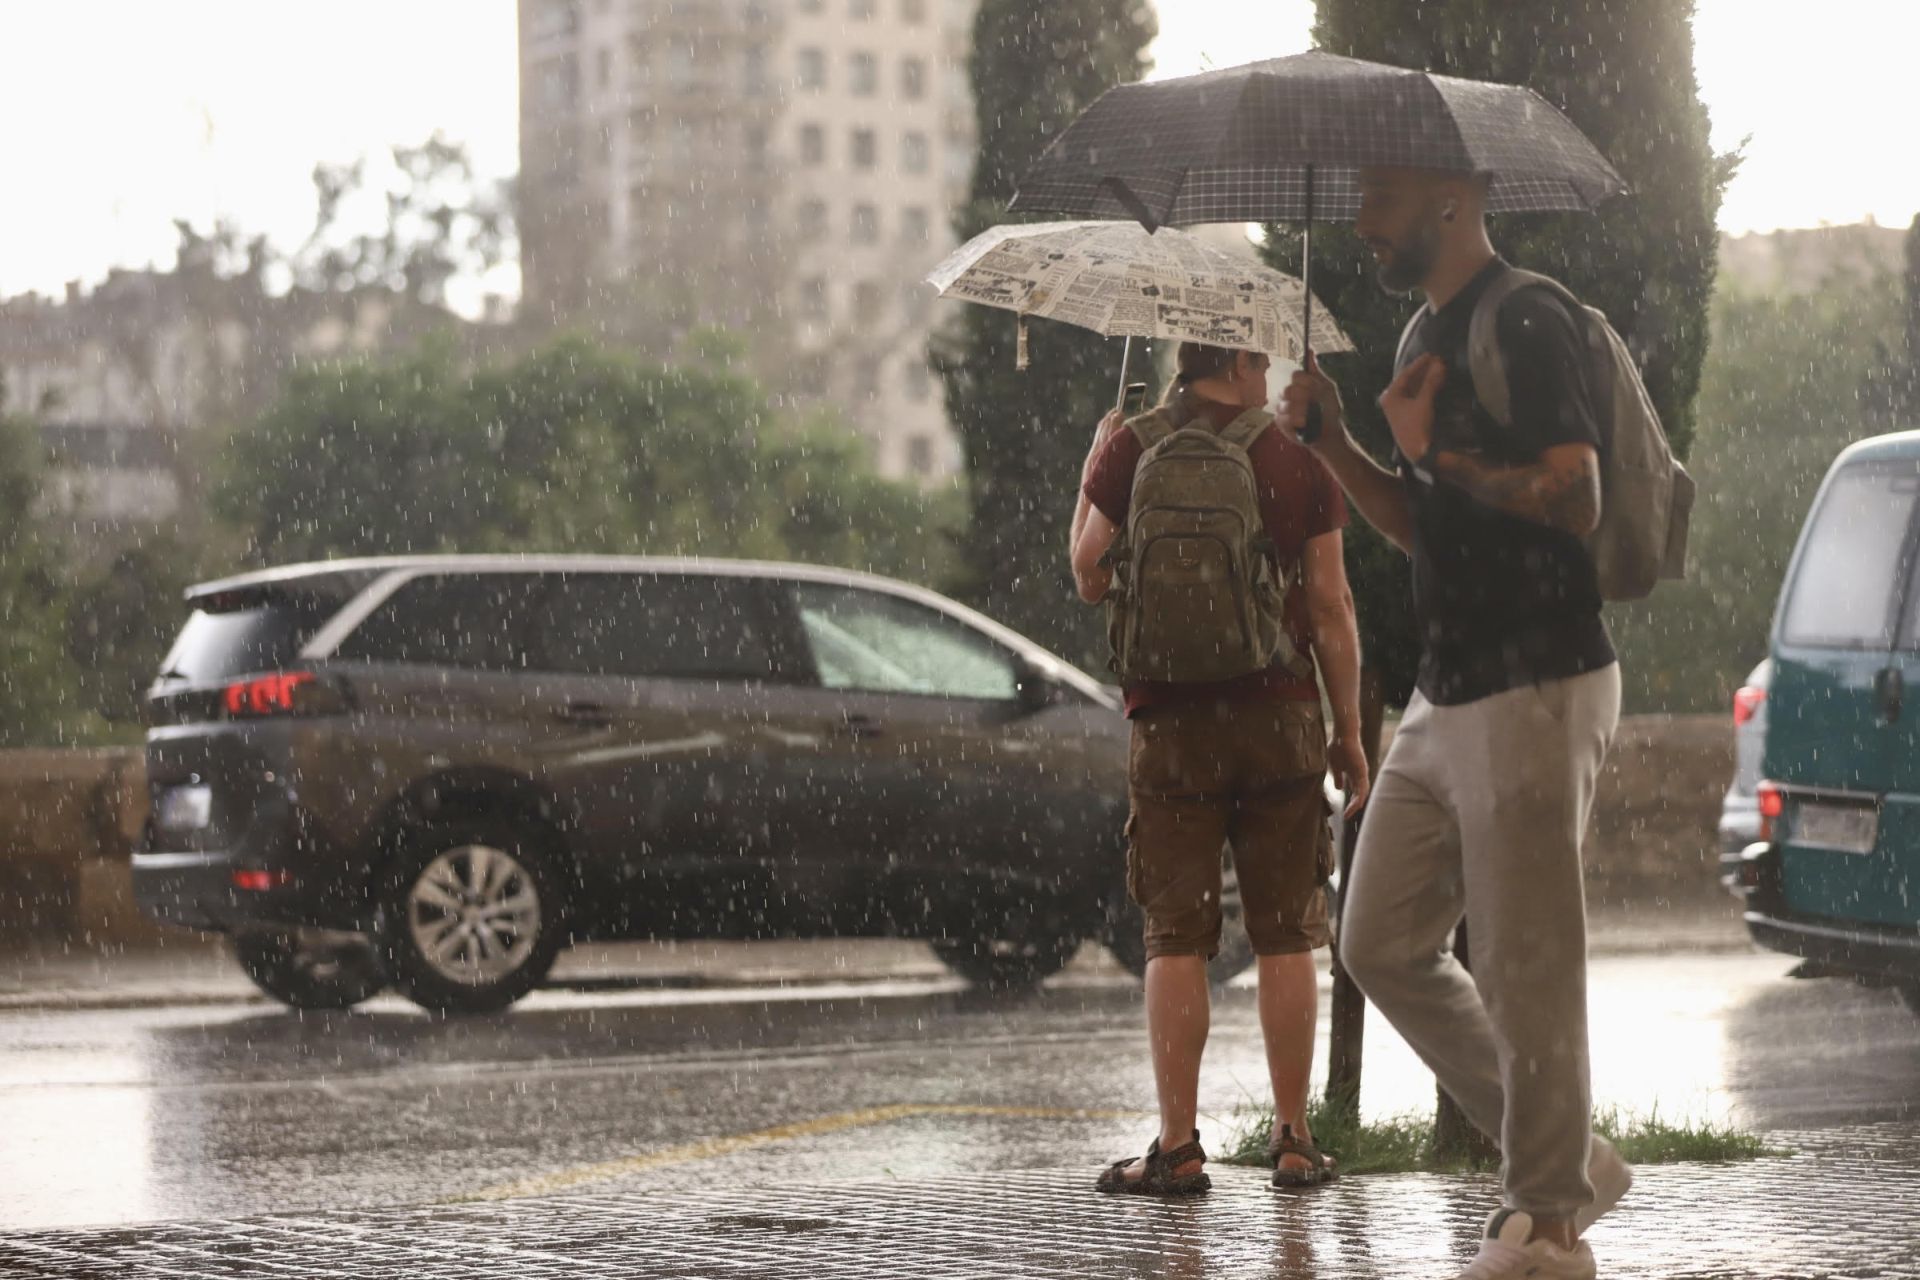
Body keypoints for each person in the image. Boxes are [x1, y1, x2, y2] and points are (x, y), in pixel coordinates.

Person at [1280, 166, 1628, 1280]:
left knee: (1530, 962)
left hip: (1539, 677)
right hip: (1448, 685)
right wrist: (1338, 443)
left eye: (1378, 202)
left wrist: (1437, 453)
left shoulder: (1529, 317)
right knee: (1375, 935)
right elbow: (1418, 522)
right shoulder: (1417, 338)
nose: (1361, 223)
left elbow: (1578, 495)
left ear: (1446, 197)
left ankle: (1547, 1220)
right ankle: (1570, 1160)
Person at [1070, 340, 1369, 1195]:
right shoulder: (1295, 456)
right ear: (1235, 360)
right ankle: (1295, 1139)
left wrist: (1090, 470)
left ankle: (1177, 1147)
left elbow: (1088, 574)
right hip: (1279, 717)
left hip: (1169, 723)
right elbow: (1331, 606)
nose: (1270, 375)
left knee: (1176, 937)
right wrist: (1347, 732)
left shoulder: (1130, 445)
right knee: (1286, 933)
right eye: (1260, 359)